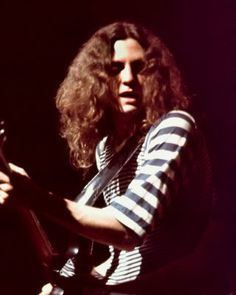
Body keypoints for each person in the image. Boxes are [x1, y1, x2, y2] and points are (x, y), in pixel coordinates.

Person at [0, 22, 213, 294]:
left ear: (156, 76)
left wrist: (36, 197)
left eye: (140, 68)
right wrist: (64, 285)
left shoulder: (174, 127)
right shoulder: (108, 148)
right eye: (115, 68)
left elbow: (126, 231)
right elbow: (122, 257)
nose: (128, 78)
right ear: (96, 80)